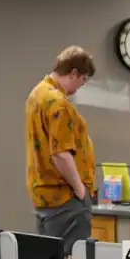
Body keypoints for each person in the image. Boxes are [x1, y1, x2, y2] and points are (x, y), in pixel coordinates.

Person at [25, 45, 99, 247]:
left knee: (50, 257)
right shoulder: (59, 103)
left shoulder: (37, 94)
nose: (80, 86)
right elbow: (61, 153)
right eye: (83, 79)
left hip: (43, 195)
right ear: (73, 73)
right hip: (66, 198)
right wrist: (80, 190)